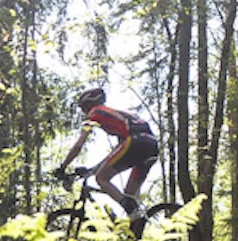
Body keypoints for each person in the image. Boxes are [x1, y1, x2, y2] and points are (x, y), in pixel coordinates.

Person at [54, 87, 159, 223]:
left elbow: (78, 146)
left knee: (101, 179)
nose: (84, 112)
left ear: (89, 104)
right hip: (151, 145)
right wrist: (92, 169)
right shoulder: (118, 116)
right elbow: (116, 154)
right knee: (129, 196)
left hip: (135, 142)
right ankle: (135, 233)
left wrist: (63, 167)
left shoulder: (95, 112)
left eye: (83, 108)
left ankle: (131, 211)